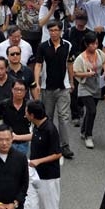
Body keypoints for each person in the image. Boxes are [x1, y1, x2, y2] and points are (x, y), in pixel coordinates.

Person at [32, 21, 75, 160]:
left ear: (61, 31)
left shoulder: (68, 45)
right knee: (47, 117)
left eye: (56, 30)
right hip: (47, 87)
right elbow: (38, 65)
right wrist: (37, 83)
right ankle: (48, 144)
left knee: (64, 117)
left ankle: (65, 145)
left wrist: (72, 81)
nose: (53, 33)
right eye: (51, 30)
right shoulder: (43, 46)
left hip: (63, 87)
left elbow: (70, 64)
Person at [24, 100, 62, 209]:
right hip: (33, 173)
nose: (25, 113)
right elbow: (34, 137)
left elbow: (58, 154)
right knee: (29, 207)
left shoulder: (50, 129)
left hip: (49, 177)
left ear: (32, 115)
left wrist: (38, 161)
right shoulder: (37, 125)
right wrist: (16, 137)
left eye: (26, 111)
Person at [73, 31, 105, 149]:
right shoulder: (81, 58)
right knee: (92, 110)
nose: (95, 46)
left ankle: (83, 130)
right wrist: (87, 74)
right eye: (92, 44)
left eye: (96, 43)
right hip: (85, 87)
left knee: (90, 111)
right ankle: (88, 135)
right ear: (87, 44)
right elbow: (75, 73)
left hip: (97, 85)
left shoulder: (99, 53)